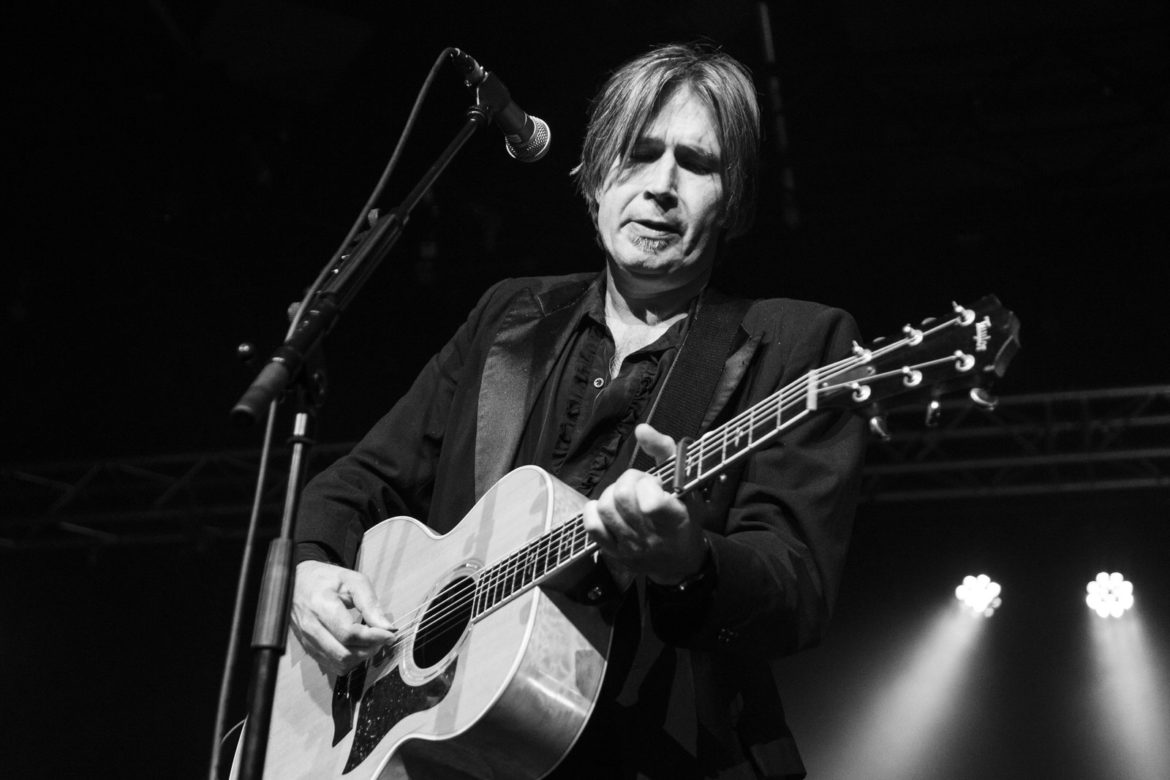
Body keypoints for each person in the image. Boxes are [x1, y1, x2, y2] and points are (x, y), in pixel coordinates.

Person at [290, 42, 867, 779]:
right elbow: (359, 482)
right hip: (456, 754)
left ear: (735, 199)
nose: (662, 186)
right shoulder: (509, 318)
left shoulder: (798, 343)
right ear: (594, 179)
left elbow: (797, 588)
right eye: (639, 153)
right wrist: (311, 569)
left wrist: (689, 561)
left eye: (697, 164)